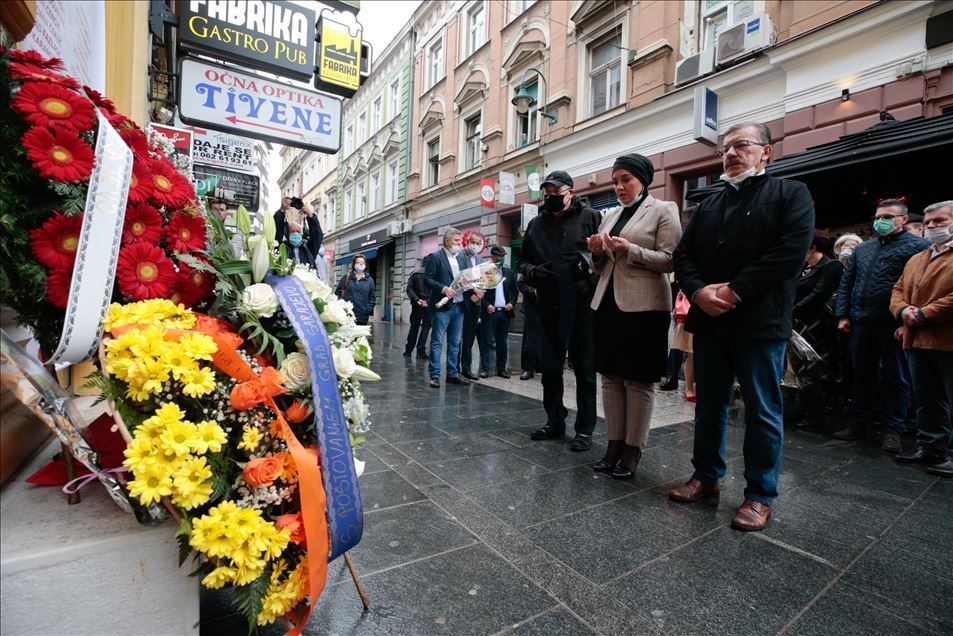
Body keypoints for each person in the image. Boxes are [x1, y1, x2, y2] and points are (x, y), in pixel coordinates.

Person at [669, 122, 815, 532]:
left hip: (759, 322)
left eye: (742, 146)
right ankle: (706, 476)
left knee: (763, 410)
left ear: (765, 152)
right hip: (710, 322)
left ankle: (759, 495)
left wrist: (732, 293)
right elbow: (684, 256)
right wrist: (698, 293)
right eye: (726, 148)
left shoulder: (790, 194)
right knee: (708, 404)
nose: (731, 153)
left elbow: (789, 254)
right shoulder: (709, 204)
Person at [586, 154, 681, 478]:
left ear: (643, 178)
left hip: (646, 307)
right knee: (610, 378)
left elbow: (670, 260)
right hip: (608, 304)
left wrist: (631, 249)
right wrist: (597, 253)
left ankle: (632, 449)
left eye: (625, 179)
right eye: (615, 181)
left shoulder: (664, 209)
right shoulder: (609, 215)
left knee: (639, 381)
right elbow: (599, 266)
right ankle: (613, 444)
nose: (619, 187)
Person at [833, 199, 930, 451]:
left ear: (903, 219)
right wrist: (843, 315)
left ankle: (893, 430)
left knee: (895, 378)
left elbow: (923, 288)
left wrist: (907, 323)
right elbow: (847, 283)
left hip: (893, 325)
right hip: (860, 323)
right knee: (861, 375)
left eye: (887, 216)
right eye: (878, 216)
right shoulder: (864, 249)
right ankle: (857, 423)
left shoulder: (920, 247)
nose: (881, 221)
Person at [519, 170, 601, 451]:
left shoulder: (590, 217)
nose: (551, 197)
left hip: (581, 304)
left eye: (557, 192)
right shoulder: (536, 225)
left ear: (571, 193)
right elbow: (523, 262)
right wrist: (535, 274)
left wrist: (587, 277)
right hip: (548, 303)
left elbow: (602, 259)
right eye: (547, 192)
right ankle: (555, 422)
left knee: (585, 370)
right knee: (551, 368)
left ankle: (585, 430)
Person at [891, 201, 953, 477]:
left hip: (947, 339)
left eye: (939, 221)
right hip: (918, 340)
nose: (931, 227)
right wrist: (903, 310)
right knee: (927, 398)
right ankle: (932, 448)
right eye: (928, 222)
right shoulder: (919, 257)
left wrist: (925, 314)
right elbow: (898, 289)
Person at [425, 227, 470, 388]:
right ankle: (435, 375)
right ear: (447, 242)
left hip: (459, 306)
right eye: (456, 241)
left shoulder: (462, 259)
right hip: (442, 308)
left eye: (460, 241)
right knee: (437, 341)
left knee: (455, 342)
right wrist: (443, 288)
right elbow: (428, 279)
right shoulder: (435, 257)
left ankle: (452, 373)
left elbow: (465, 279)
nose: (460, 244)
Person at [480, 246, 519, 378]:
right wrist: (486, 305)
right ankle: (485, 368)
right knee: (486, 341)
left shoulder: (509, 273)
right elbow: (481, 294)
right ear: (492, 257)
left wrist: (511, 304)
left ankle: (501, 369)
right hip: (490, 312)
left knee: (502, 342)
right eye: (498, 257)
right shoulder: (486, 272)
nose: (501, 259)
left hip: (505, 312)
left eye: (503, 257)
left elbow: (515, 292)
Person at [458, 231, 487, 380]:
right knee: (457, 338)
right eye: (473, 242)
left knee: (469, 338)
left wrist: (481, 292)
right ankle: (454, 368)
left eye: (478, 243)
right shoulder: (460, 256)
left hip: (476, 303)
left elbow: (483, 280)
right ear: (467, 241)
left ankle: (466, 368)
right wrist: (473, 291)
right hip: (462, 302)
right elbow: (461, 277)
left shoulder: (481, 259)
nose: (475, 245)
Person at [335, 254, 375, 326]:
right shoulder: (346, 277)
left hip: (362, 317)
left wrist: (367, 310)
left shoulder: (369, 280)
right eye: (358, 262)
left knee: (360, 337)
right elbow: (337, 293)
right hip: (347, 316)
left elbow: (372, 298)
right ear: (354, 264)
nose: (361, 264)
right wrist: (342, 307)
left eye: (362, 263)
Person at [403, 257, 431, 359]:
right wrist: (427, 301)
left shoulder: (415, 273)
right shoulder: (433, 274)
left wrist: (417, 299)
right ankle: (420, 351)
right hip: (428, 304)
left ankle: (408, 350)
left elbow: (409, 289)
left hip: (416, 304)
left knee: (414, 327)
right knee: (426, 327)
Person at [517, 272, 539, 380]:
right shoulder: (531, 265)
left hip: (550, 307)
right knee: (530, 340)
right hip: (532, 308)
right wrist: (534, 291)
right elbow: (521, 283)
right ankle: (528, 368)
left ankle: (541, 366)